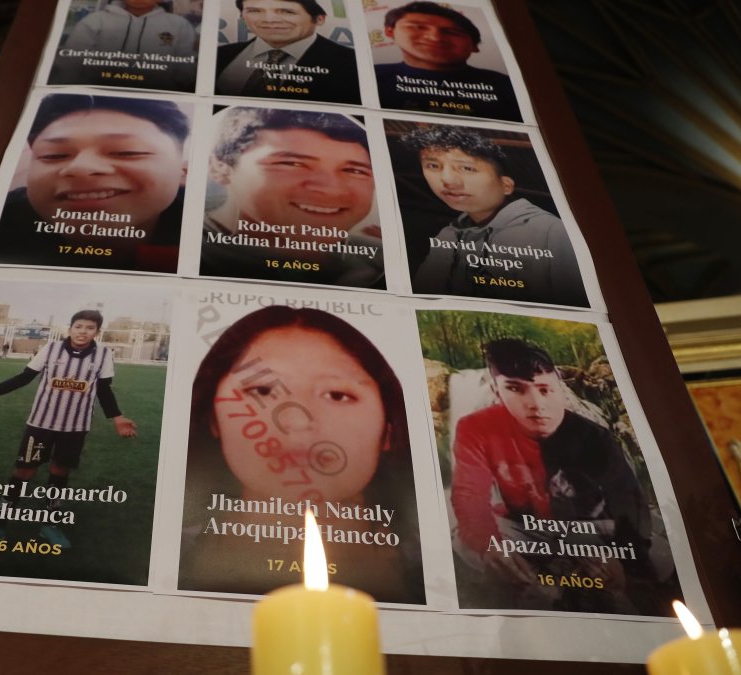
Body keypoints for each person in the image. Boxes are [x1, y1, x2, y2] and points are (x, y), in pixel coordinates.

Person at [179, 306, 424, 604]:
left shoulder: (457, 576)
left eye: (337, 395)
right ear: (214, 420)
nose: (296, 422)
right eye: (263, 390)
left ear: (389, 428)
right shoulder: (167, 553)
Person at [449, 339, 674, 614]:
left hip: (590, 530)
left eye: (545, 390)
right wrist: (489, 546)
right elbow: (469, 494)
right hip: (524, 527)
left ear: (559, 389)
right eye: (515, 389)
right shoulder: (475, 428)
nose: (536, 404)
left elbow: (629, 502)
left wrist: (623, 558)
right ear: (497, 390)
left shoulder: (594, 436)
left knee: (662, 559)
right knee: (462, 540)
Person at [0, 310, 138, 549]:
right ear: (70, 328)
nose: (83, 331)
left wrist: (117, 417)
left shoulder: (104, 355)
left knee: (59, 473)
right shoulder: (51, 348)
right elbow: (24, 378)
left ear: (97, 331)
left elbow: (104, 390)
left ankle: (49, 525)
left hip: (75, 428)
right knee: (23, 473)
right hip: (40, 425)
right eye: (79, 326)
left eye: (89, 328)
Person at [0, 94, 189, 274]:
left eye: (127, 152)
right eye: (54, 155)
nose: (81, 167)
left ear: (183, 170)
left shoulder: (209, 230)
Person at [403, 125, 586, 306]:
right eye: (433, 165)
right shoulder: (446, 235)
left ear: (506, 185)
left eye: (467, 168)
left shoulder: (551, 230)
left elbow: (575, 301)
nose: (448, 180)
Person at [202, 108, 384, 288]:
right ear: (220, 167)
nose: (331, 189)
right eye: (291, 163)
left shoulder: (382, 258)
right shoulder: (183, 249)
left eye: (355, 171)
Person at [374, 1, 520, 121]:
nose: (435, 38)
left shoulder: (507, 87)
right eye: (418, 27)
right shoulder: (369, 76)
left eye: (452, 32)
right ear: (390, 31)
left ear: (474, 46)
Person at [216, 0, 359, 104]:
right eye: (254, 11)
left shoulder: (353, 64)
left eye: (287, 11)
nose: (269, 20)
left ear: (319, 19)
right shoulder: (220, 55)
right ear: (242, 16)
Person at [49, 0, 198, 91]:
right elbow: (71, 58)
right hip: (93, 91)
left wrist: (172, 87)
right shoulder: (96, 19)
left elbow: (186, 62)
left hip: (157, 94)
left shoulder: (178, 25)